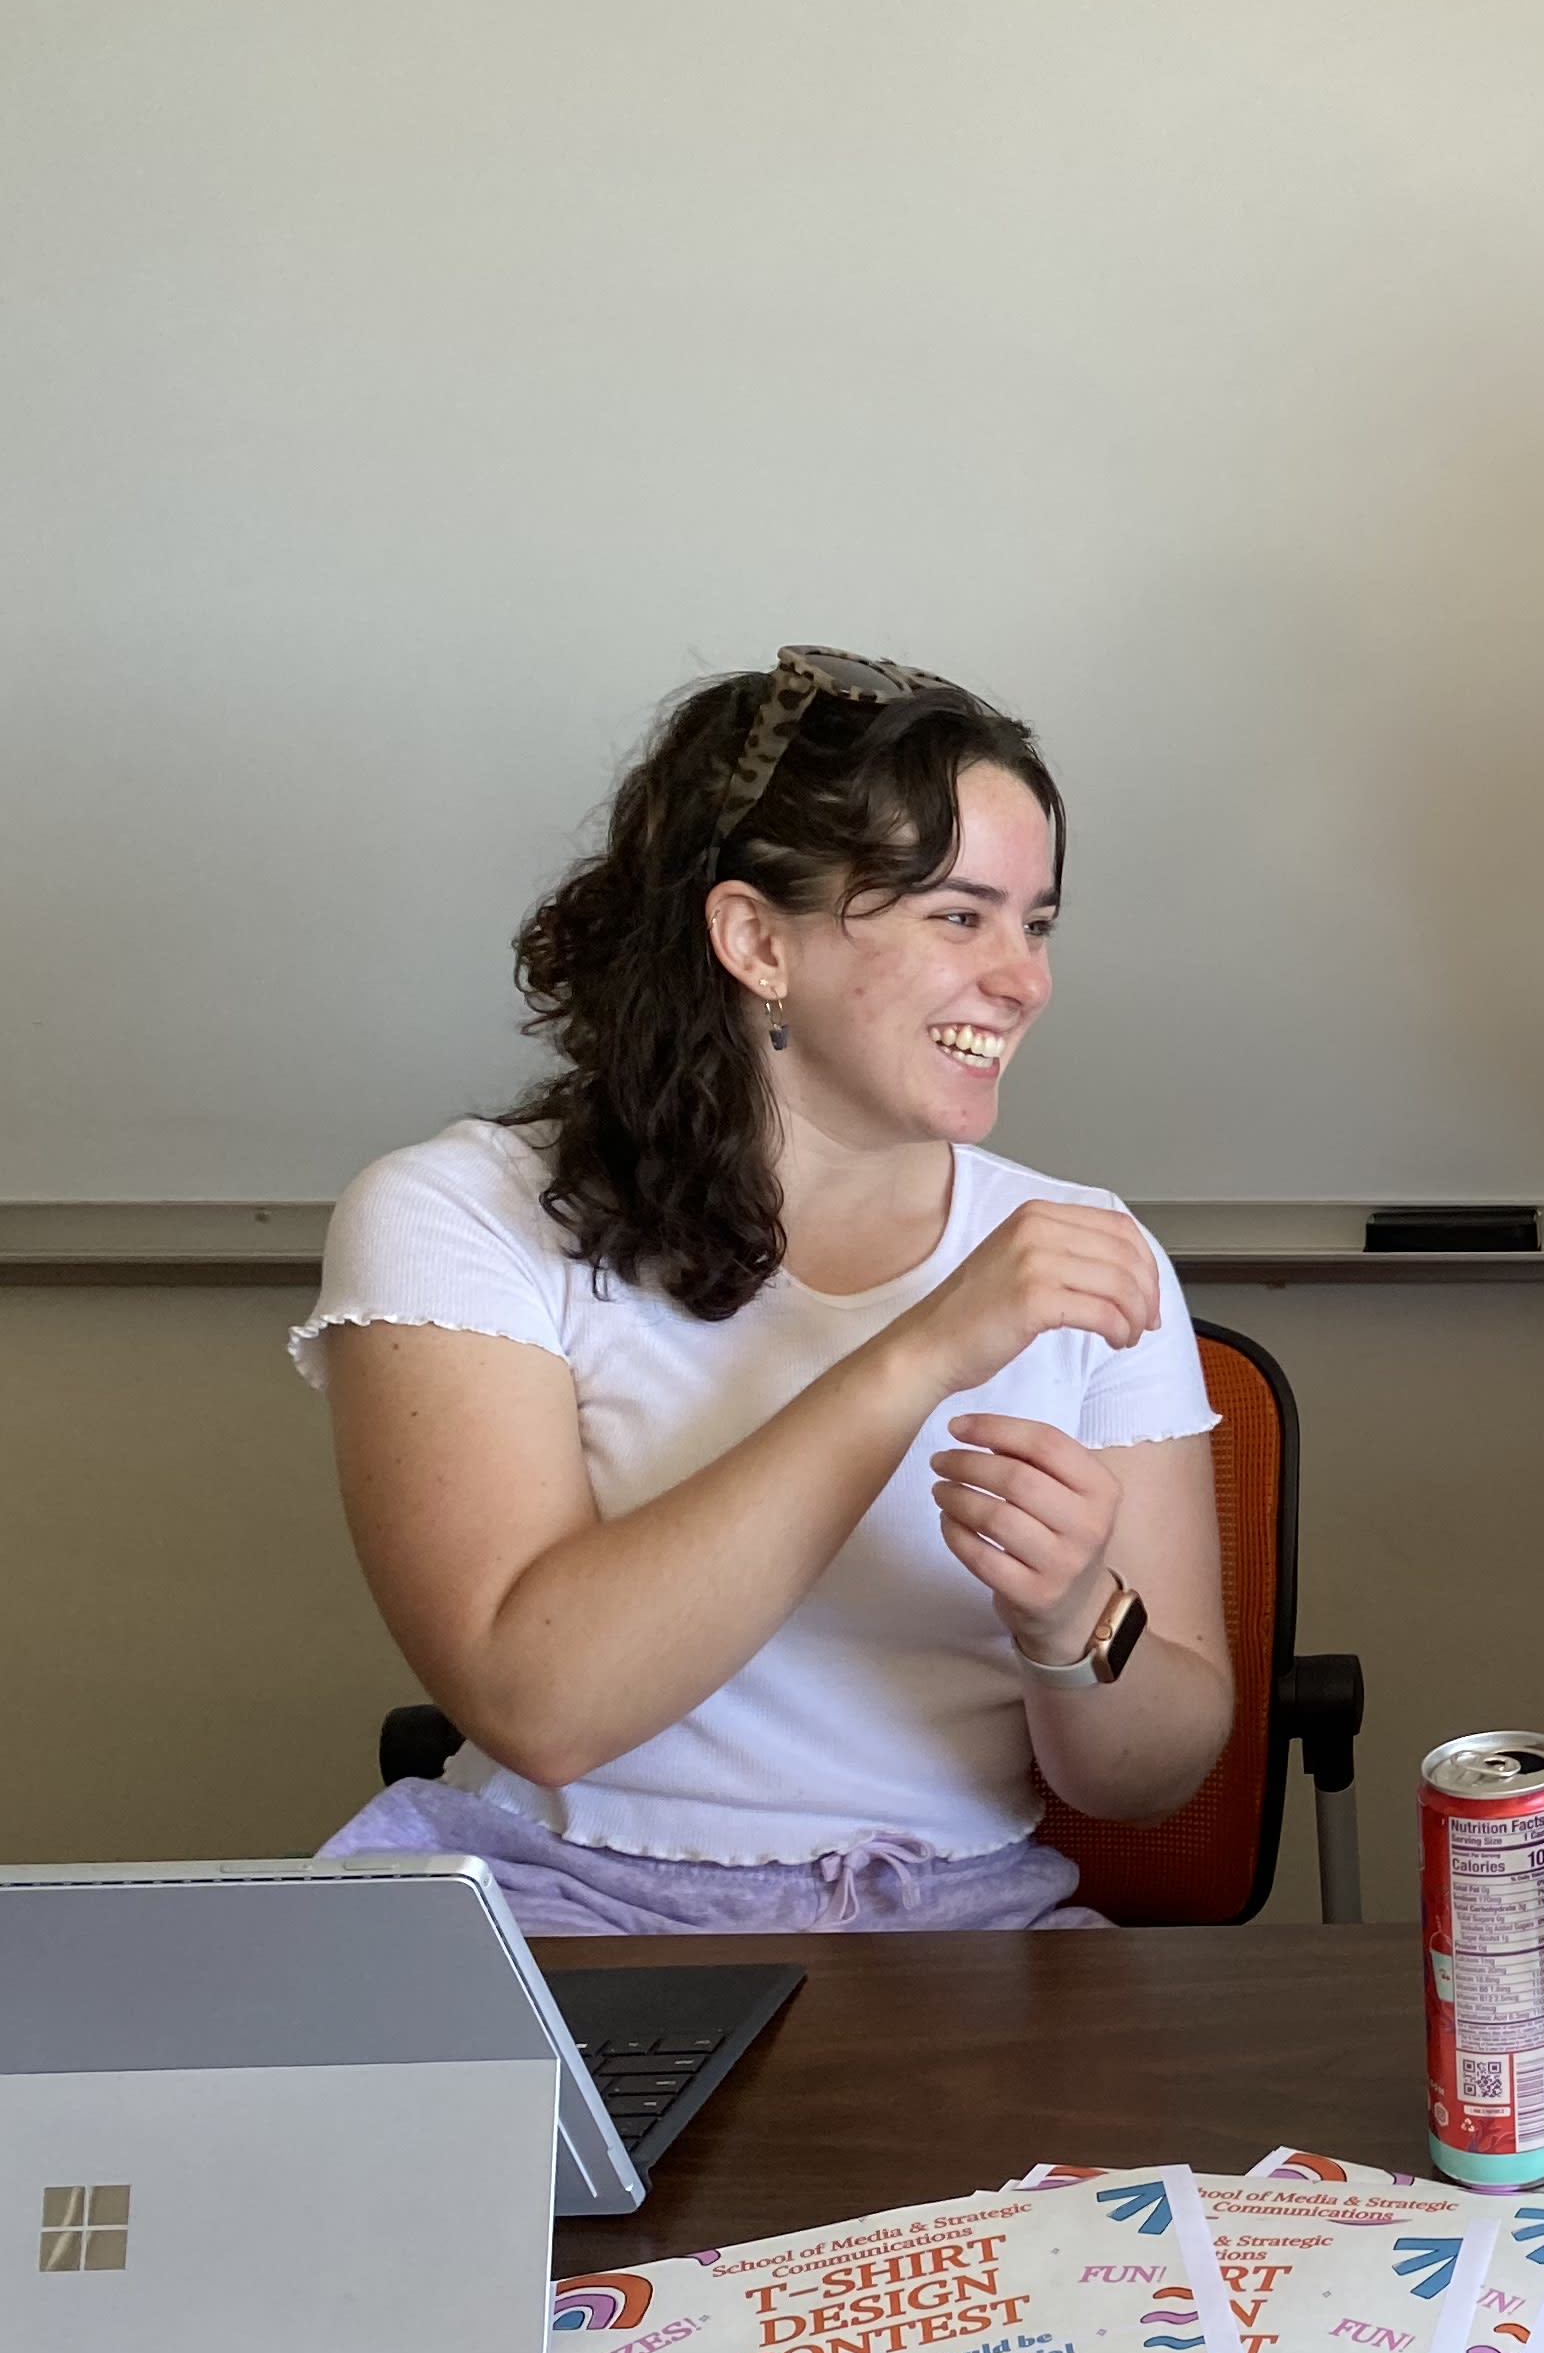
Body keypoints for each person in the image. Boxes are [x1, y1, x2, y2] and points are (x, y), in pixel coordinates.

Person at [304, 649, 1235, 1932]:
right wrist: (920, 1354)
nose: (1025, 979)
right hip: (567, 1914)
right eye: (957, 916)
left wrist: (1075, 1620)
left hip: (962, 1928)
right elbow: (543, 1707)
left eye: (1037, 922)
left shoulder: (1089, 1248)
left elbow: (1156, 1777)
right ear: (754, 940)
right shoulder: (454, 1216)